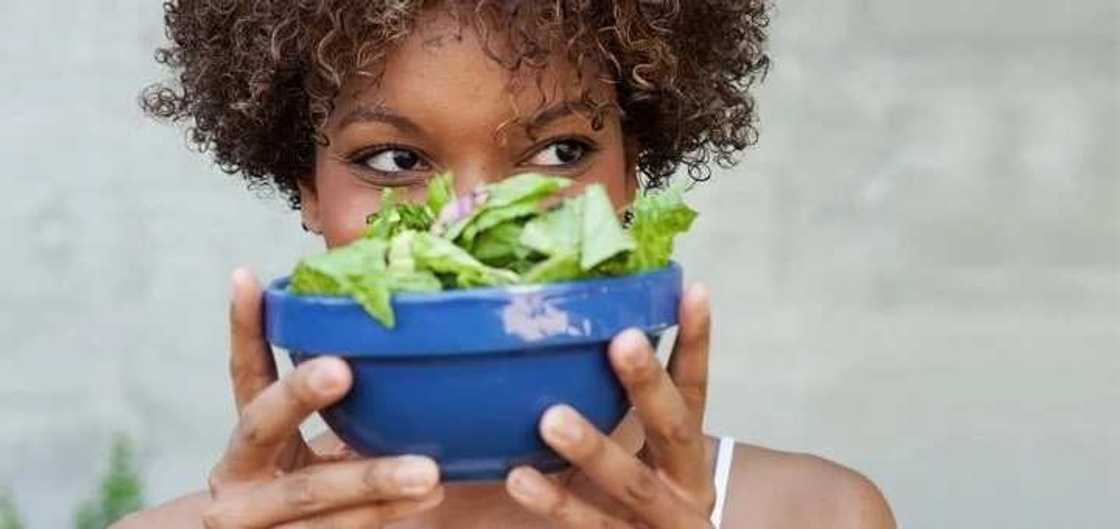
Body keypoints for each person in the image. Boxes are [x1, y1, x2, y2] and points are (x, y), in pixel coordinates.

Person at [121, 1, 895, 528]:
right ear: (309, 192)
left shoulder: (818, 514)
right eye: (394, 157)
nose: (473, 219)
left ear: (631, 178)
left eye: (560, 151)